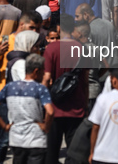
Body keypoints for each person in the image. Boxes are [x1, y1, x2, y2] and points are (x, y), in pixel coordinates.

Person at [0, 54, 54, 164]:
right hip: (35, 139)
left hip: (16, 138)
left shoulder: (10, 87)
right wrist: (46, 127)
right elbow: (50, 112)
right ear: (36, 71)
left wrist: (4, 126)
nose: (44, 74)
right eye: (43, 70)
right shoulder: (40, 89)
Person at [43, 14, 87, 164]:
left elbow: (47, 78)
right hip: (76, 107)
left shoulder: (51, 48)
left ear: (59, 28)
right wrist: (85, 103)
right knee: (74, 153)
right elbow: (85, 80)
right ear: (73, 28)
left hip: (54, 108)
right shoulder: (81, 48)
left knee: (51, 152)